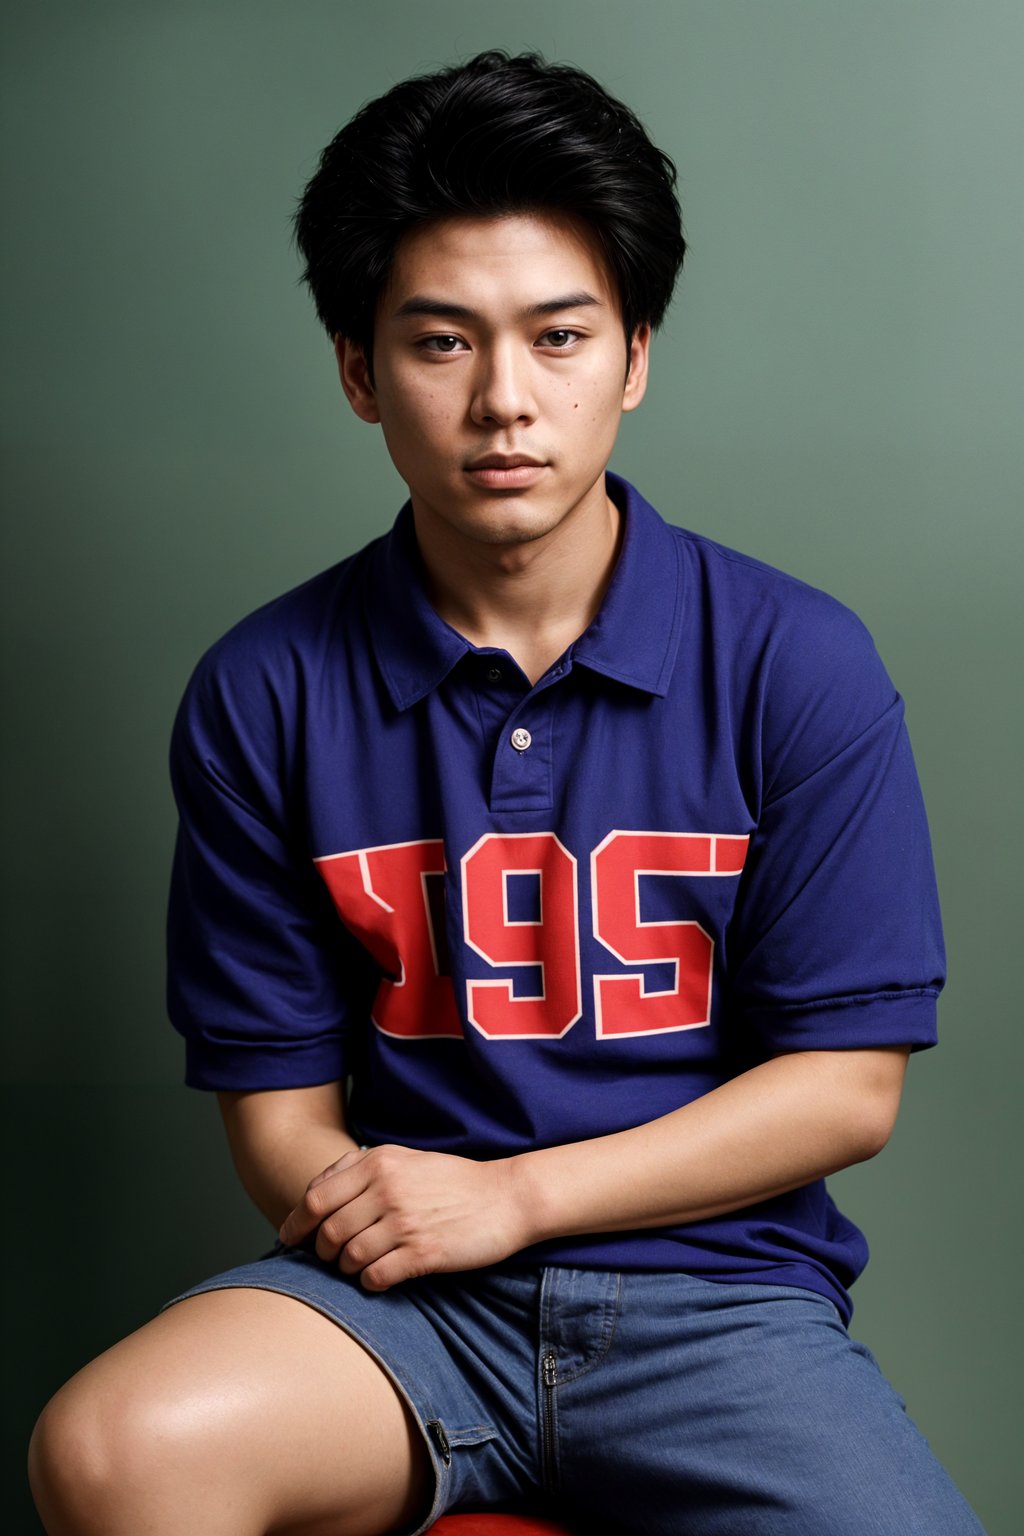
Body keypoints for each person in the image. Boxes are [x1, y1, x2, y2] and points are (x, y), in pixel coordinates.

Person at [29, 49, 985, 1536]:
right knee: (113, 1450)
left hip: (718, 1303)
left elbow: (847, 1088)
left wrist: (520, 1197)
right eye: (440, 344)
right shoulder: (265, 687)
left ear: (637, 355)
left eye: (558, 337)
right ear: (358, 370)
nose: (503, 405)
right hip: (408, 1309)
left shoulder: (798, 657)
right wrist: (410, 1222)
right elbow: (278, 1116)